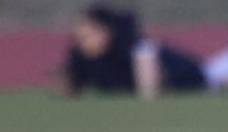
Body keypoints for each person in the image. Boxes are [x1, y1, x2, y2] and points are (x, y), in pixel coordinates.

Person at [61, 6, 206, 99]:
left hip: (202, 79)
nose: (81, 43)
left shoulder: (139, 49)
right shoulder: (87, 59)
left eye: (86, 37)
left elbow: (149, 95)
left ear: (105, 32)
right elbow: (70, 93)